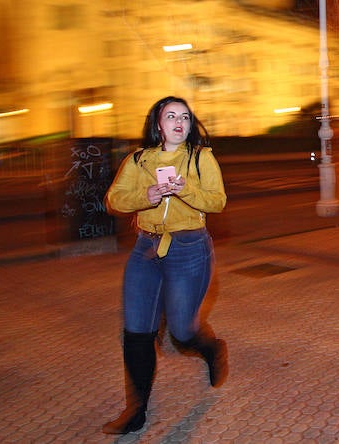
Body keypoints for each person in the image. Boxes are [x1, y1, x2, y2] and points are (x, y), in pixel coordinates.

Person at [102, 96, 228, 434]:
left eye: (184, 117)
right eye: (170, 116)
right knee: (136, 331)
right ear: (158, 123)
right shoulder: (139, 160)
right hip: (146, 248)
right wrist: (148, 196)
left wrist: (187, 191)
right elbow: (114, 199)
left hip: (189, 249)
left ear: (189, 124)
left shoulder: (202, 159)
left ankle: (211, 348)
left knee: (182, 331)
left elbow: (217, 201)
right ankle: (136, 410)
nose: (178, 122)